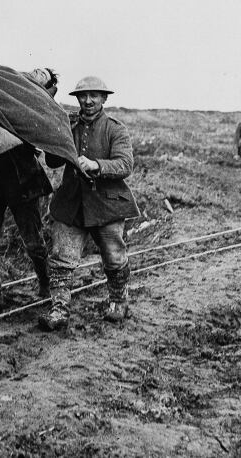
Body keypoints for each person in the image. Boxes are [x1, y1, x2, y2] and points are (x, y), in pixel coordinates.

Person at [38, 76, 140, 331]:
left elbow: (125, 164)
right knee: (61, 259)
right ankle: (59, 309)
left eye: (94, 95)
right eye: (83, 96)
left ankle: (118, 301)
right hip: (71, 204)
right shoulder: (68, 126)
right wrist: (55, 137)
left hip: (106, 205)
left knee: (114, 257)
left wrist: (97, 165)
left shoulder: (116, 129)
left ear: (104, 98)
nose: (88, 101)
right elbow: (52, 162)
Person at [0, 70, 59, 318]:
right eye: (35, 69)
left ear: (48, 86)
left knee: (33, 241)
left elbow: (52, 147)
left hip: (24, 181)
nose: (34, 73)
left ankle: (46, 283)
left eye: (42, 74)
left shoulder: (41, 108)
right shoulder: (2, 98)